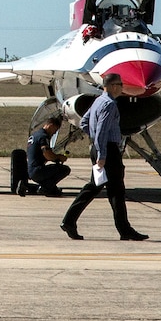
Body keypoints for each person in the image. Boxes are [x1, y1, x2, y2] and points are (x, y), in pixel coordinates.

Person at [61, 72, 147, 241]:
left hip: (99, 148)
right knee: (107, 189)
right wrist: (102, 153)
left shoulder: (98, 101)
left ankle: (123, 229)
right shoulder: (109, 105)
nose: (122, 88)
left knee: (107, 189)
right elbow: (102, 131)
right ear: (113, 86)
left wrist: (94, 141)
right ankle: (70, 221)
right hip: (107, 150)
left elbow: (84, 123)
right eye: (120, 84)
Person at [21, 115, 71, 197]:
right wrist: (59, 157)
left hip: (30, 170)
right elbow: (48, 155)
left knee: (53, 188)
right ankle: (45, 188)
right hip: (38, 170)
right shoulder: (43, 137)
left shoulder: (35, 135)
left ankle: (28, 186)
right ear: (51, 126)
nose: (54, 133)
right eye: (55, 130)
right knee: (65, 169)